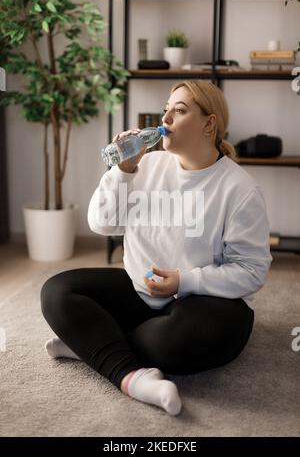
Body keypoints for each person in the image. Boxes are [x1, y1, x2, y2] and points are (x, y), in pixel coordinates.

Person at [41, 80, 273, 416]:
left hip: (204, 303)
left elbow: (251, 272)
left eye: (179, 110)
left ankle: (93, 344)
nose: (166, 118)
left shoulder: (239, 189)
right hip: (141, 292)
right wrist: (123, 170)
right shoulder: (145, 167)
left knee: (174, 344)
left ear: (209, 124)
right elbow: (101, 223)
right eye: (166, 109)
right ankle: (132, 376)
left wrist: (184, 281)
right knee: (57, 291)